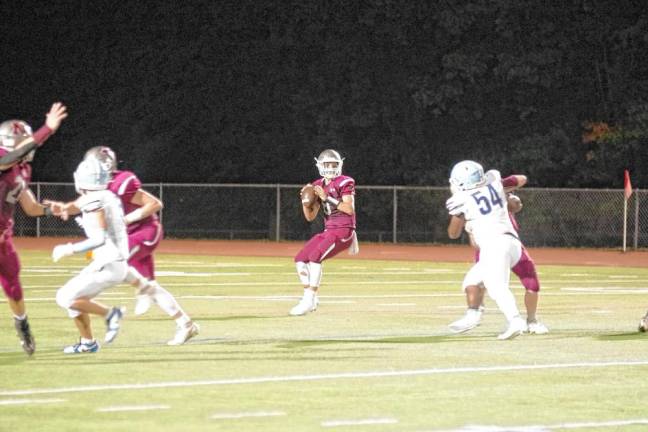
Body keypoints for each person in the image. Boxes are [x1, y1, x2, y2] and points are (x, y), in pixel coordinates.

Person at [47, 147, 199, 345]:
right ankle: (184, 322)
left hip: (142, 232)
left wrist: (123, 220)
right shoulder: (100, 189)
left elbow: (154, 203)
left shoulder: (120, 183)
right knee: (144, 283)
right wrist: (67, 207)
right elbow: (87, 201)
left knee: (87, 287)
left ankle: (110, 317)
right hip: (120, 241)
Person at [0, 102, 68, 355]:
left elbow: (30, 207)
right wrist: (46, 129)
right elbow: (7, 159)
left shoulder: (22, 170)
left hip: (3, 241)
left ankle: (22, 324)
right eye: (25, 141)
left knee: (14, 289)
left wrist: (53, 209)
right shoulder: (4, 157)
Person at [52, 157, 130, 353]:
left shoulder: (95, 200)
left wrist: (69, 248)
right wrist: (64, 208)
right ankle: (88, 343)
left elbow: (99, 238)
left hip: (109, 263)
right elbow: (79, 204)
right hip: (111, 261)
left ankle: (111, 313)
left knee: (65, 298)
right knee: (74, 300)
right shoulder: (103, 195)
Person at [445, 160, 528, 340]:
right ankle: (472, 316)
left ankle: (515, 320)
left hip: (495, 244)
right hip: (511, 243)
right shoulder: (494, 182)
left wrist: (467, 220)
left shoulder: (461, 199)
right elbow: (521, 179)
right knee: (471, 282)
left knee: (496, 287)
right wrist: (505, 192)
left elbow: (452, 233)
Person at [448, 193, 548, 335]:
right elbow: (474, 243)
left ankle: (528, 321)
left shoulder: (495, 197)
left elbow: (517, 204)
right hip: (491, 248)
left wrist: (504, 195)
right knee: (477, 283)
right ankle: (475, 313)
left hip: (509, 245)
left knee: (527, 284)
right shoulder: (472, 212)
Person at [290, 149, 359, 316]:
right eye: (326, 164)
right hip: (328, 230)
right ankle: (310, 297)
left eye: (333, 164)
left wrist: (326, 197)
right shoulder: (317, 184)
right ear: (320, 166)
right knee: (300, 259)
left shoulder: (345, 182)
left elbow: (349, 209)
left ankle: (309, 299)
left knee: (315, 258)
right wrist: (305, 202)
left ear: (339, 165)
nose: (330, 167)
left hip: (344, 230)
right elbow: (310, 217)